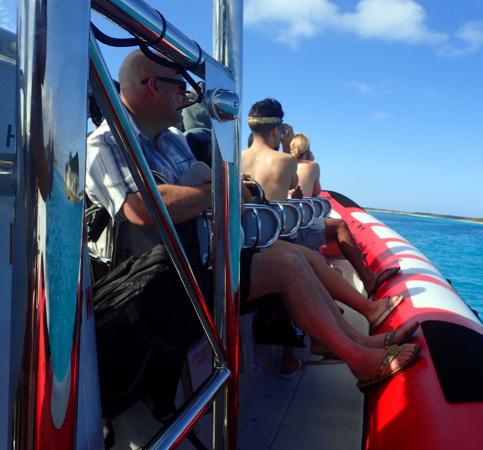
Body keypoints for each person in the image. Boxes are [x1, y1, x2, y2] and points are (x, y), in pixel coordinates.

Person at [86, 50, 419, 391]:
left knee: (295, 255)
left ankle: (361, 341)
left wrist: (223, 191)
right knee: (286, 265)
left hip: (198, 259)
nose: (186, 97)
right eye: (180, 87)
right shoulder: (104, 146)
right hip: (156, 282)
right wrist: (223, 192)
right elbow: (140, 209)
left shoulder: (173, 142)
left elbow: (201, 192)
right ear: (153, 86)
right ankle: (358, 359)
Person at [242, 99, 399, 298]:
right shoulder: (287, 159)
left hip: (249, 235)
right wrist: (285, 147)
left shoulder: (238, 158)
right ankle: (368, 280)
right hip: (278, 235)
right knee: (339, 225)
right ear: (276, 131)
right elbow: (292, 183)